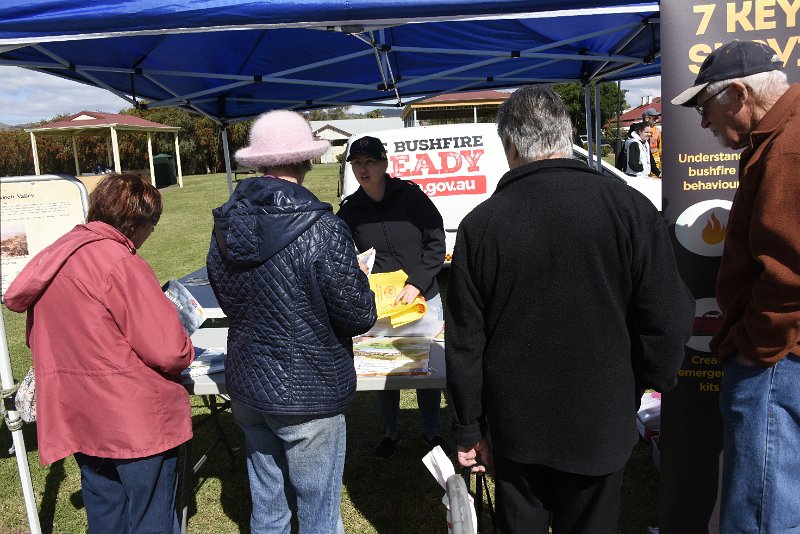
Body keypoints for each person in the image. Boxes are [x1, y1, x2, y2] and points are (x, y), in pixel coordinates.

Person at [445, 85, 694, 534]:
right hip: (600, 414)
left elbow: (465, 341)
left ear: (511, 145)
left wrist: (469, 426)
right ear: (568, 133)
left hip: (517, 424)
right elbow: (668, 315)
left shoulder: (480, 225)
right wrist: (648, 380)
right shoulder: (630, 209)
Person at [206, 110, 377, 534]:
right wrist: (358, 279)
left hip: (250, 382)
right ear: (306, 161)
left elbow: (226, 296)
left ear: (261, 163)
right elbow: (358, 315)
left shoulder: (227, 224)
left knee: (268, 509)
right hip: (310, 389)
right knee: (319, 514)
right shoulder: (324, 229)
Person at [3, 173, 194, 533]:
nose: (151, 234)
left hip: (81, 414)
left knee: (105, 508)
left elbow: (38, 337)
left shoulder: (57, 256)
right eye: (152, 224)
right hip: (134, 421)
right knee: (151, 513)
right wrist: (185, 343)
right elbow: (169, 350)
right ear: (137, 222)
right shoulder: (119, 262)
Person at [671, 39, 800, 533]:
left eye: (705, 107)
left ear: (740, 94)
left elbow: (790, 273)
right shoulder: (778, 139)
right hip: (781, 355)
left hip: (777, 361)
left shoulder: (787, 149)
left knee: (762, 514)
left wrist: (754, 348)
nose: (702, 123)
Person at [337, 135, 448, 460]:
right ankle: (391, 432)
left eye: (369, 162)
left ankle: (431, 431)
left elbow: (436, 241)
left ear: (384, 164)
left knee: (426, 367)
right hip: (382, 305)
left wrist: (416, 283)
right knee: (385, 369)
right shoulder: (351, 210)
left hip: (422, 297)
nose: (362, 169)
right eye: (357, 163)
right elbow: (341, 254)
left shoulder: (410, 197)